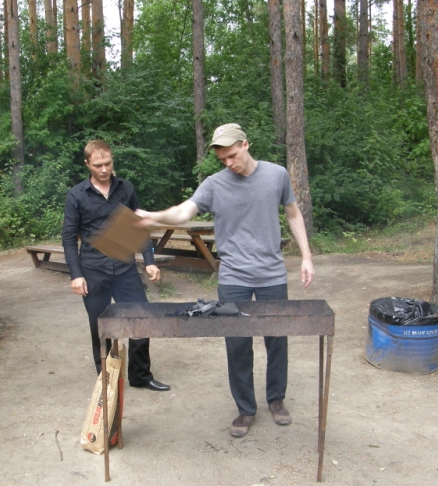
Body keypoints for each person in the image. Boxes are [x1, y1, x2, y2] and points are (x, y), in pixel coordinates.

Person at [136, 123, 314, 437]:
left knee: (277, 339)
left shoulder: (277, 175)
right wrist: (154, 216)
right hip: (233, 277)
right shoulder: (214, 185)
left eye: (232, 155)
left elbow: (293, 213)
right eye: (223, 159)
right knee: (237, 344)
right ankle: (246, 409)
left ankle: (276, 399)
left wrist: (306, 256)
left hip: (272, 274)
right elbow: (183, 213)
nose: (229, 163)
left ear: (245, 144)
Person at [63, 140, 171, 392]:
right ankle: (107, 381)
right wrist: (76, 275)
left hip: (125, 269)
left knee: (141, 319)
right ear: (87, 164)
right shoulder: (76, 195)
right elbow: (68, 238)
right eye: (98, 165)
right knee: (101, 327)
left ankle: (140, 376)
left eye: (108, 163)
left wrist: (150, 261)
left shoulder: (126, 189)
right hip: (93, 271)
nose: (104, 169)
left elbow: (139, 226)